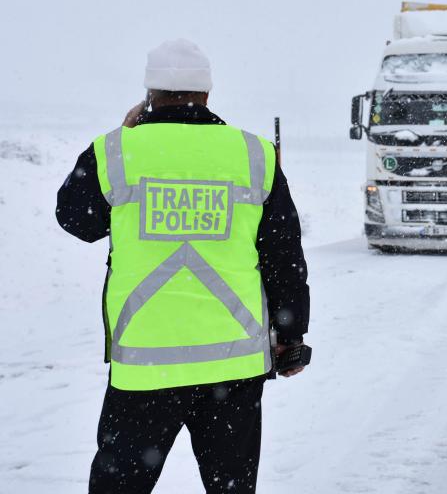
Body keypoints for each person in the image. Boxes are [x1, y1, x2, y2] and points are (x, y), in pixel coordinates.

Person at [55, 39, 310, 493]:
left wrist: (126, 132)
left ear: (150, 92)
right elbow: (283, 256)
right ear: (207, 94)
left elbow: (76, 220)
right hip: (233, 369)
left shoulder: (116, 151)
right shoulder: (253, 155)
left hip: (145, 369)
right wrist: (291, 337)